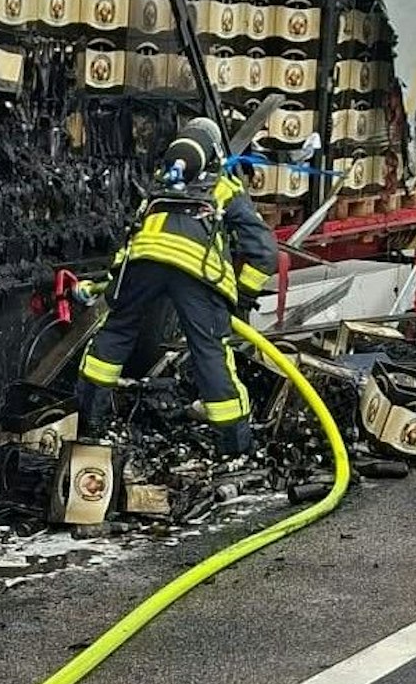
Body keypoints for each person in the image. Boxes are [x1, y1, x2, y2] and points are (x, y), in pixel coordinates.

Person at [76, 116, 279, 455]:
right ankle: (234, 447)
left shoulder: (161, 185)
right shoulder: (224, 187)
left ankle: (87, 423)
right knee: (210, 351)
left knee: (115, 333)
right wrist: (244, 294)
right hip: (195, 274)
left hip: (142, 264)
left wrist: (116, 282)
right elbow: (264, 251)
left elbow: (133, 236)